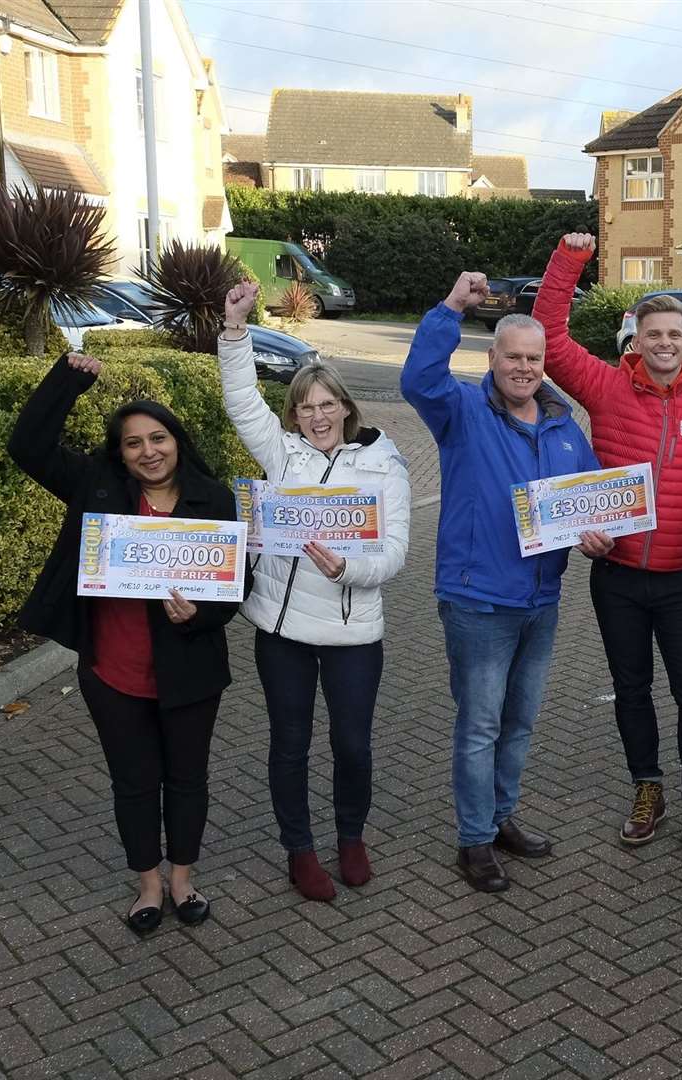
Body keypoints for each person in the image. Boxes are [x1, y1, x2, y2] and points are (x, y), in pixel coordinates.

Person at [534, 233, 682, 863]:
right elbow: (549, 335)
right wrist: (569, 259)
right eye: (653, 334)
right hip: (618, 576)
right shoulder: (603, 387)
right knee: (632, 690)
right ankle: (647, 788)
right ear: (636, 338)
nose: (664, 344)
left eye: (675, 336)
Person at [9, 351, 239, 935]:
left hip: (190, 670)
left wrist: (200, 614)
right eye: (133, 443)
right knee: (134, 783)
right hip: (112, 671)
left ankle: (183, 878)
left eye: (157, 438)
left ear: (177, 440)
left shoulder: (213, 498)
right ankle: (148, 885)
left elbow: (235, 588)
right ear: (121, 452)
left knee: (188, 779)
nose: (148, 452)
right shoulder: (98, 485)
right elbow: (28, 447)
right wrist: (68, 379)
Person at [401, 270, 601, 894]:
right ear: (491, 358)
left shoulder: (566, 427)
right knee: (481, 725)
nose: (523, 368)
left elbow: (588, 504)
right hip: (478, 599)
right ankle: (474, 840)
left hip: (541, 600)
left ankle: (502, 816)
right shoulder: (462, 409)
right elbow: (416, 380)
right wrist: (450, 306)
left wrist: (597, 533)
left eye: (533, 358)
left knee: (519, 723)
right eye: (512, 356)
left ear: (546, 363)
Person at [217, 283, 411, 903]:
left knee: (352, 743)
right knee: (290, 744)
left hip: (354, 632)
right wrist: (235, 330)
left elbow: (395, 553)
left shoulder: (385, 465)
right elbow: (243, 401)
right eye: (306, 408)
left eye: (328, 405)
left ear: (346, 409)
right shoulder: (283, 458)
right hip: (281, 633)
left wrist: (345, 568)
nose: (318, 417)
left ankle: (350, 836)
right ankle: (300, 850)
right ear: (295, 414)